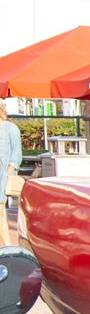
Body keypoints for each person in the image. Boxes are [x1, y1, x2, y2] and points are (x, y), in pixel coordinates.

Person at [0, 104, 19, 246]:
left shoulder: (10, 128)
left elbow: (16, 155)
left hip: (3, 174)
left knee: (0, 211)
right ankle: (7, 247)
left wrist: (8, 174)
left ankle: (7, 247)